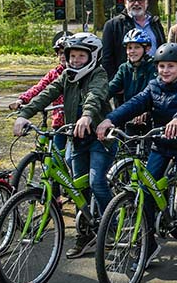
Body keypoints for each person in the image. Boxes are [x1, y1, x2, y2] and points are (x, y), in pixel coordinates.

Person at [96, 43, 177, 271]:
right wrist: (110, 119)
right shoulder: (154, 85)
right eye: (162, 66)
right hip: (161, 144)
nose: (165, 71)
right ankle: (149, 246)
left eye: (171, 66)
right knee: (144, 194)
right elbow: (135, 103)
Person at [14, 33, 114, 258]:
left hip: (100, 139)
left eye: (81, 55)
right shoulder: (66, 77)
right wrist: (24, 114)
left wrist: (88, 116)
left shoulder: (98, 74)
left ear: (92, 56)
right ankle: (86, 233)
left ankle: (113, 226)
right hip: (77, 139)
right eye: (72, 55)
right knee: (78, 188)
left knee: (95, 181)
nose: (76, 60)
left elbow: (95, 95)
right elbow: (46, 94)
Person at [10, 33, 69, 148]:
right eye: (61, 53)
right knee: (56, 151)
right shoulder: (53, 74)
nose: (63, 56)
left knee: (71, 156)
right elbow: (38, 87)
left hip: (74, 121)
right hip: (58, 121)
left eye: (66, 53)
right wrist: (22, 100)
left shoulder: (78, 73)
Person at [102, 0, 166, 82]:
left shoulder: (155, 23)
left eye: (140, 0)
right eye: (132, 0)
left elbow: (163, 49)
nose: (136, 3)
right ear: (125, 2)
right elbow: (107, 59)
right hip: (128, 83)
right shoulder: (113, 25)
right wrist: (116, 82)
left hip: (155, 79)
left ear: (146, 2)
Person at [107, 28, 157, 104]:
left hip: (147, 110)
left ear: (147, 49)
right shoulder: (124, 68)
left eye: (137, 47)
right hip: (128, 109)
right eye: (129, 48)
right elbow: (112, 87)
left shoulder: (153, 66)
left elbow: (152, 92)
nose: (132, 51)